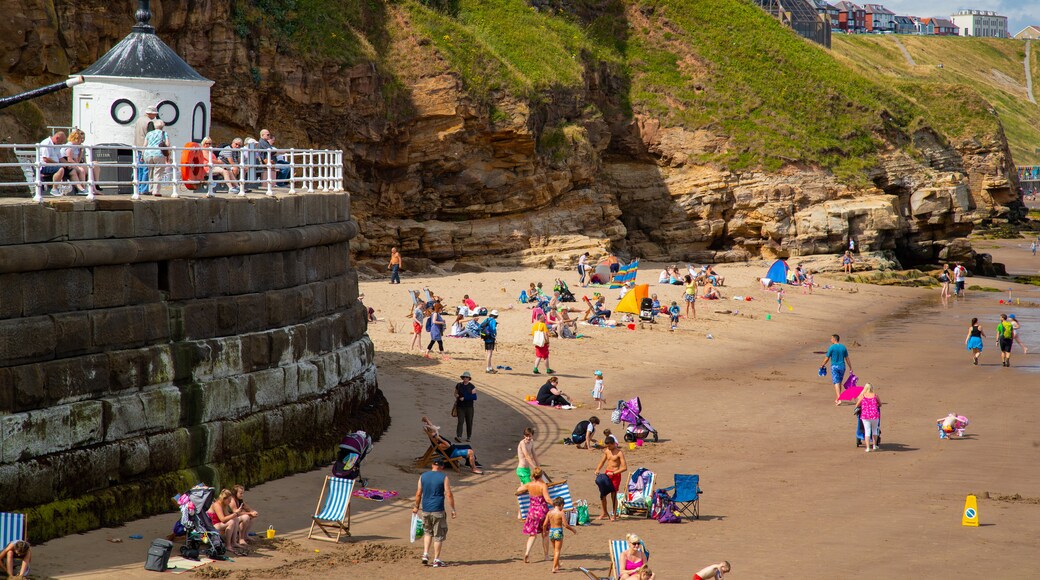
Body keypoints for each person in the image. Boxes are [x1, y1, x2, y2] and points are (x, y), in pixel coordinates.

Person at [413, 458, 456, 567]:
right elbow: (449, 494)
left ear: (432, 465)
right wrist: (453, 509)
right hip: (438, 509)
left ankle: (425, 554)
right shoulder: (444, 477)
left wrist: (416, 507)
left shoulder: (423, 476)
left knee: (428, 532)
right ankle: (436, 559)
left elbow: (418, 493)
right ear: (441, 467)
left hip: (426, 509)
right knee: (438, 535)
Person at [517, 467, 552, 563]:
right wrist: (555, 505)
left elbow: (518, 490)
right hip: (542, 511)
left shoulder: (529, 485)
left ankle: (527, 552)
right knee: (545, 534)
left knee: (532, 534)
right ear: (541, 475)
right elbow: (548, 499)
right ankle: (546, 556)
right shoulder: (543, 485)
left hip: (532, 511)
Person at [594, 435, 627, 520]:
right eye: (607, 446)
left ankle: (614, 515)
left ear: (614, 444)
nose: (608, 447)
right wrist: (597, 469)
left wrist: (614, 473)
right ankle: (604, 513)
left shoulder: (619, 453)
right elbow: (602, 462)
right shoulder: (607, 451)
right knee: (603, 494)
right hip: (607, 474)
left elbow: (624, 468)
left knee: (613, 495)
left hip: (616, 475)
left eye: (609, 445)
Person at [61, 128, 102, 194]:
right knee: (82, 170)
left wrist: (81, 152)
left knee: (93, 165)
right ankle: (84, 189)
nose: (82, 141)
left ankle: (95, 186)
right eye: (80, 139)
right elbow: (69, 159)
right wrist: (78, 165)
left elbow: (77, 160)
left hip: (73, 163)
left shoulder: (77, 147)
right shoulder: (70, 146)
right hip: (68, 163)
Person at [543, 496, 577, 573]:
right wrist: (573, 530)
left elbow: (545, 524)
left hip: (551, 531)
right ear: (561, 505)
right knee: (557, 550)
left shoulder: (549, 512)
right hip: (558, 531)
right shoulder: (561, 513)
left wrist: (544, 532)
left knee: (555, 549)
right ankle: (554, 568)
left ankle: (557, 564)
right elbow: (565, 525)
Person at [208, 488, 245, 554]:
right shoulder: (217, 505)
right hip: (212, 525)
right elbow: (223, 519)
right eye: (229, 500)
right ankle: (228, 545)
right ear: (224, 498)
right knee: (231, 522)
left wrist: (236, 513)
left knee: (235, 519)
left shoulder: (224, 505)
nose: (230, 502)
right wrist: (235, 514)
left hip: (218, 523)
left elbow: (228, 516)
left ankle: (234, 542)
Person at [821, 334, 852, 406]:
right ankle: (838, 398)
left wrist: (822, 365)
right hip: (842, 367)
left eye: (831, 338)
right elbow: (847, 358)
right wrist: (850, 367)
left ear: (834, 339)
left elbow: (827, 358)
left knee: (836, 382)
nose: (830, 340)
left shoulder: (831, 347)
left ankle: (839, 399)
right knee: (839, 382)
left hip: (834, 367)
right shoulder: (843, 347)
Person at [134, 105, 158, 194]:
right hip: (145, 147)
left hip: (138, 146)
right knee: (146, 168)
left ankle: (139, 188)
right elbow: (151, 136)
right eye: (154, 114)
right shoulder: (149, 122)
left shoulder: (139, 120)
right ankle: (144, 189)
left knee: (140, 168)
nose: (155, 116)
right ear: (151, 114)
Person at [143, 120, 170, 197]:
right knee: (158, 173)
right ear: (163, 126)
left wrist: (142, 155)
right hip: (158, 154)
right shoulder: (164, 133)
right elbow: (167, 144)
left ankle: (151, 189)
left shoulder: (149, 133)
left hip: (148, 154)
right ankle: (156, 191)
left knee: (150, 172)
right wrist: (168, 154)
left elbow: (145, 144)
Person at [37, 130, 68, 196]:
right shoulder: (46, 143)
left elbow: (60, 158)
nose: (62, 143)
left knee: (73, 170)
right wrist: (58, 164)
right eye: (61, 141)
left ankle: (80, 189)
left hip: (53, 165)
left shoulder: (56, 144)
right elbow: (46, 159)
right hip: (44, 166)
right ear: (57, 138)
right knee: (61, 169)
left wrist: (70, 164)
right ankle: (54, 189)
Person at [855, 383, 882, 452]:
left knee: (867, 431)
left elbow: (857, 405)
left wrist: (862, 404)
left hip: (865, 415)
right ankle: (874, 446)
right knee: (874, 430)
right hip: (874, 415)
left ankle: (867, 448)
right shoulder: (875, 395)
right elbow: (880, 404)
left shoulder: (862, 396)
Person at [454, 371, 477, 442]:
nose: (465, 378)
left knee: (469, 422)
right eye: (464, 377)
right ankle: (459, 436)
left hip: (469, 407)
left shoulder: (472, 387)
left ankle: (468, 436)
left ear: (469, 378)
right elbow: (455, 393)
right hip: (460, 406)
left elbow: (474, 397)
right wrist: (456, 396)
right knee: (460, 421)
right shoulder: (458, 385)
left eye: (466, 377)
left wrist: (465, 398)